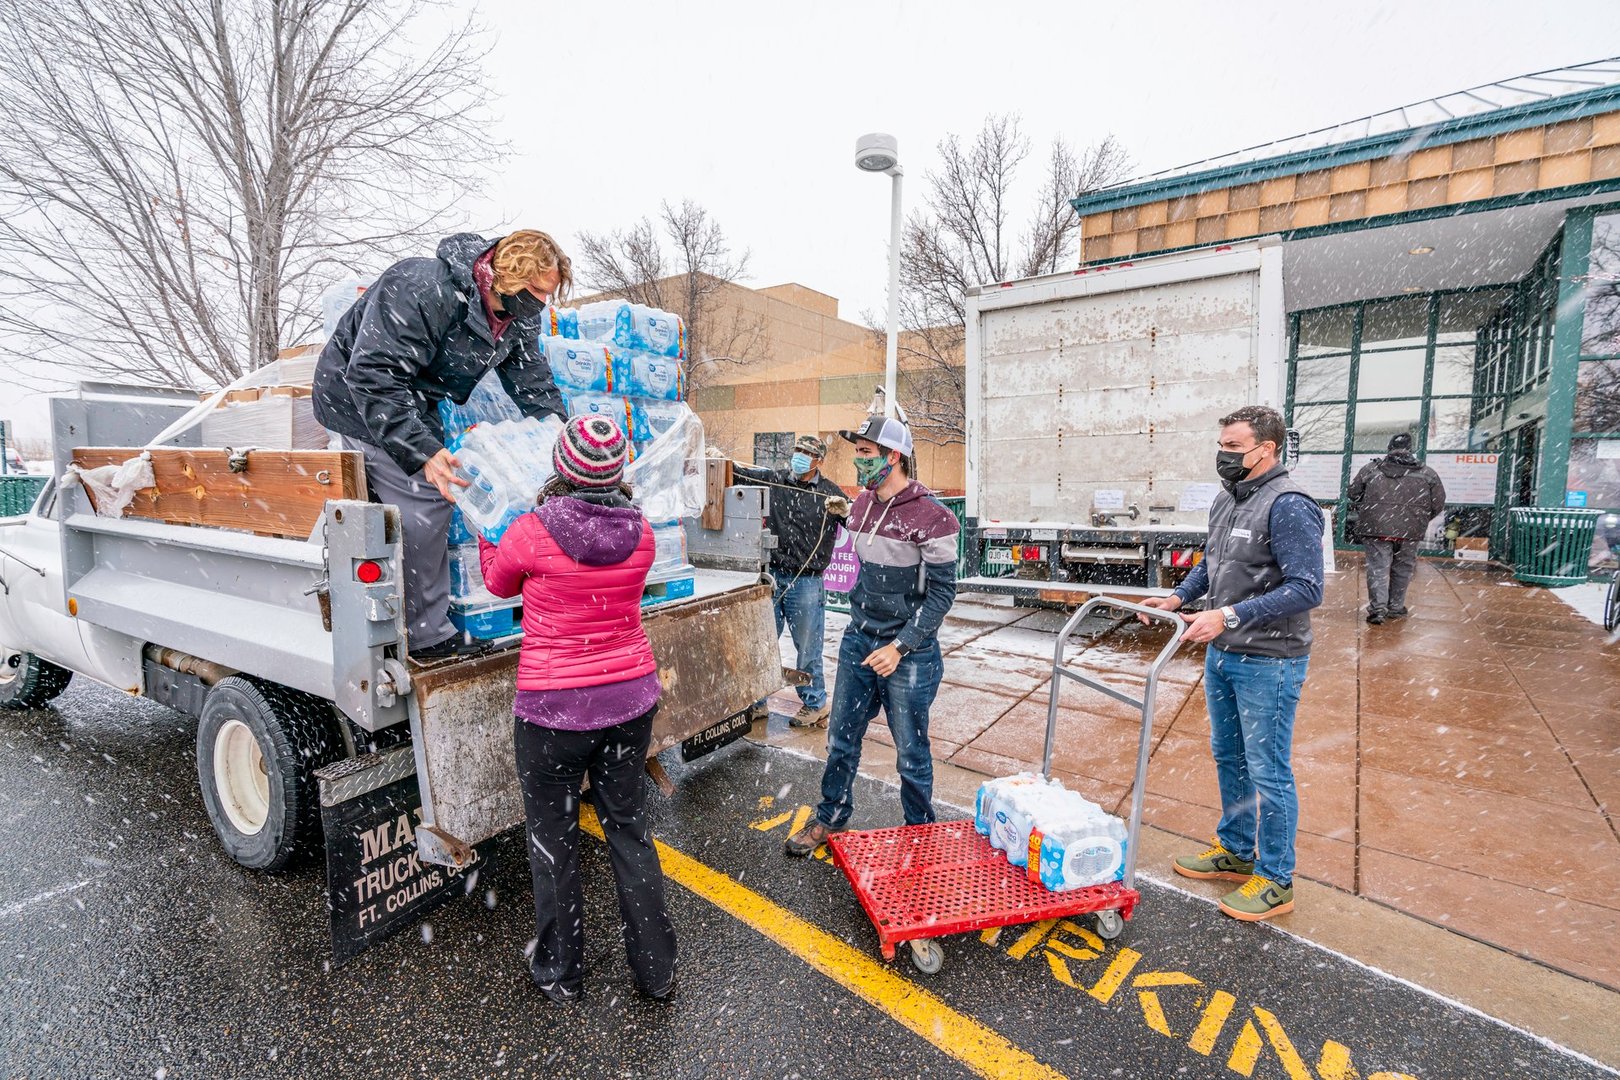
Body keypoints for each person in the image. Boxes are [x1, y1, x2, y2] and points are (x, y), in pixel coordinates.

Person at [478, 415, 677, 1003]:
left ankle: (561, 973)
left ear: (561, 467)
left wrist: (490, 530)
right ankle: (656, 972)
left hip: (553, 712)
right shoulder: (642, 535)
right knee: (629, 831)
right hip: (630, 702)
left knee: (554, 841)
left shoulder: (531, 532)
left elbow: (497, 583)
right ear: (617, 474)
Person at [314, 231, 570, 661]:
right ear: (505, 276)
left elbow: (532, 379)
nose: (542, 302)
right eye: (536, 291)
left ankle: (424, 609)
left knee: (436, 483)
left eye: (549, 293)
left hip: (414, 394)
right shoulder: (421, 287)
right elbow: (372, 374)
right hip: (355, 395)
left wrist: (564, 439)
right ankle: (424, 637)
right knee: (428, 497)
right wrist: (422, 453)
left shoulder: (518, 315)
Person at [1139, 405, 1323, 922]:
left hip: (1270, 660)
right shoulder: (1229, 499)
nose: (1224, 455)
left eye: (1235, 446)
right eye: (1222, 444)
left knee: (1269, 770)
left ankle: (1276, 879)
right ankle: (1237, 851)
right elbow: (1213, 562)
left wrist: (1231, 615)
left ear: (1267, 449)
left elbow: (1307, 588)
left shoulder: (1289, 505)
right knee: (1230, 757)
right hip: (1224, 655)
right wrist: (1179, 598)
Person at [785, 416, 958, 857]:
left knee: (911, 754)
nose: (858, 460)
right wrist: (838, 518)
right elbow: (869, 554)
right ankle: (831, 816)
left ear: (893, 456)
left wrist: (901, 647)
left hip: (909, 651)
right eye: (857, 452)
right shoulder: (859, 505)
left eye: (866, 452)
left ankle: (920, 835)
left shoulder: (933, 517)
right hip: (859, 639)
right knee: (841, 738)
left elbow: (942, 595)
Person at [733, 435, 851, 728]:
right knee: (762, 642)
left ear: (818, 461)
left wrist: (847, 511)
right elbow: (741, 474)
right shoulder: (776, 480)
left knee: (808, 647)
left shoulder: (829, 493)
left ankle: (815, 703)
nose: (799, 456)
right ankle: (758, 701)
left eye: (807, 452)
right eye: (797, 450)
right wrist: (721, 461)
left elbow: (858, 523)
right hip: (772, 575)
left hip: (807, 582)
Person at [1347, 433, 1446, 624]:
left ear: (1389, 448)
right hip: (1410, 530)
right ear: (1411, 450)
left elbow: (1353, 492)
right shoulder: (1427, 473)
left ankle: (1377, 610)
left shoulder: (1371, 469)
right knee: (1403, 569)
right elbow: (1438, 503)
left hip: (1376, 527)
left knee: (1378, 568)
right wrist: (1418, 519)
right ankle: (1395, 607)